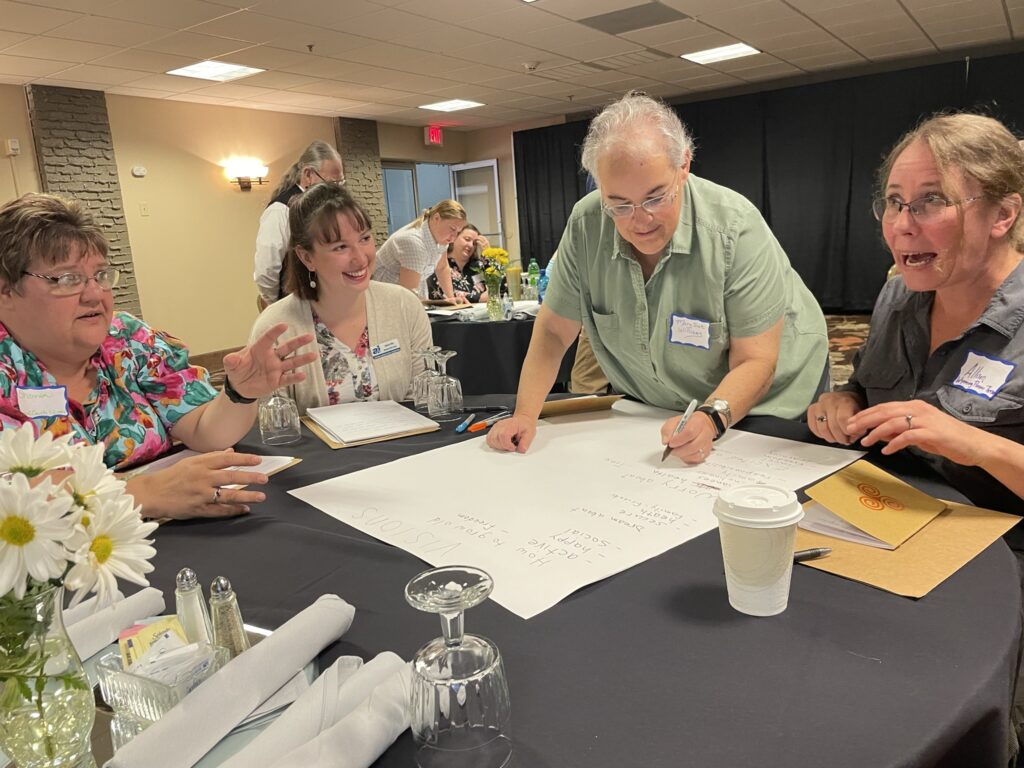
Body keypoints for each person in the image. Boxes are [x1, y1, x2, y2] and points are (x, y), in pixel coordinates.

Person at [487, 91, 828, 459]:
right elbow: (554, 332)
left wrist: (711, 417)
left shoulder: (734, 228)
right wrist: (525, 415)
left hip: (770, 395)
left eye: (655, 198)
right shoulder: (587, 225)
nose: (640, 220)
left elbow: (755, 360)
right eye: (619, 204)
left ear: (684, 165)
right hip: (663, 404)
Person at [0, 193, 317, 519]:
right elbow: (11, 498)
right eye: (67, 279)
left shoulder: (127, 341)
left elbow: (205, 431)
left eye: (100, 275)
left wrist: (239, 393)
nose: (95, 293)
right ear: (6, 290)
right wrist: (139, 493)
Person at [808, 113, 1024, 520]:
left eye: (933, 201)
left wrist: (979, 447)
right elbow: (864, 385)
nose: (902, 226)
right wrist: (844, 401)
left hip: (996, 544)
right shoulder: (898, 295)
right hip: (888, 511)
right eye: (894, 203)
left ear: (1002, 215)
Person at [250, 182, 432, 413]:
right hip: (315, 450)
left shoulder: (404, 305)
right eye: (340, 247)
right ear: (307, 257)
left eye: (364, 239)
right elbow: (272, 418)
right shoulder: (275, 326)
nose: (360, 258)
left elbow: (422, 396)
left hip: (405, 445)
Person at [253, 140, 344, 307]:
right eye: (332, 183)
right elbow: (267, 270)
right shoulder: (280, 211)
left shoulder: (326, 208)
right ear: (308, 174)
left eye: (340, 183)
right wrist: (277, 307)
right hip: (295, 305)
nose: (336, 190)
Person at [373, 200, 469, 303]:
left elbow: (442, 268)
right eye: (452, 229)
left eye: (458, 232)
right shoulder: (413, 242)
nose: (454, 237)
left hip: (408, 298)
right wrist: (443, 303)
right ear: (436, 218)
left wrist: (452, 298)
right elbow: (409, 295)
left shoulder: (442, 239)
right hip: (386, 298)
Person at [427, 224, 491, 303]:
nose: (471, 245)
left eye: (474, 243)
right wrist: (480, 298)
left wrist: (488, 257)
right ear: (454, 238)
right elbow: (446, 294)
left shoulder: (478, 265)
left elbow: (503, 288)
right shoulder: (440, 265)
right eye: (467, 239)